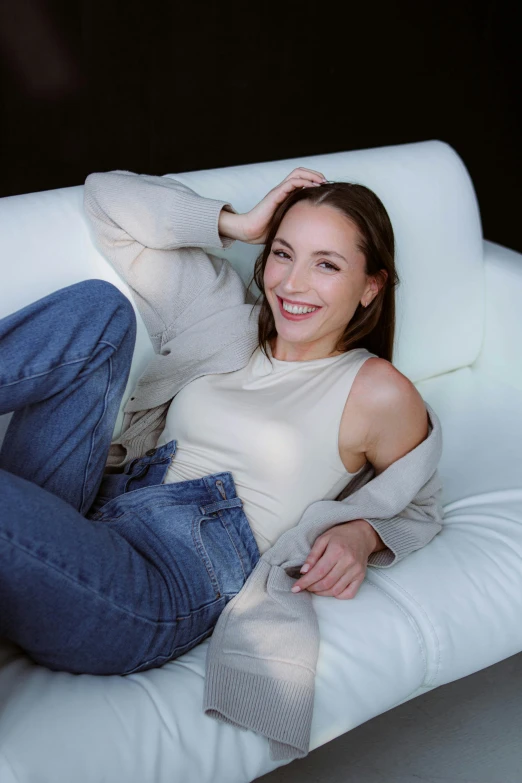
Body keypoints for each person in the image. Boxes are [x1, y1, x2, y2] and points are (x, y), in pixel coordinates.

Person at [0, 167, 433, 676]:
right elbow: (107, 198)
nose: (293, 283)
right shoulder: (222, 316)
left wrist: (363, 534)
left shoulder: (377, 390)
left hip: (152, 589)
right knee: (98, 309)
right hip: (87, 512)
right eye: (282, 253)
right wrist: (241, 224)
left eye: (327, 265)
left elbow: (419, 498)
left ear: (371, 286)